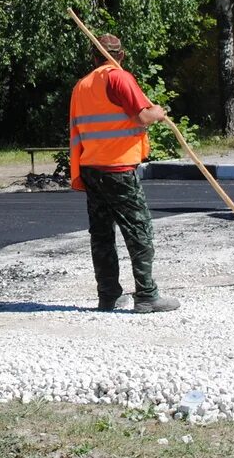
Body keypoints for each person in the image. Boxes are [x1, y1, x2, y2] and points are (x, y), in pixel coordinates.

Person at [68, 34, 179, 314]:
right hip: (117, 169)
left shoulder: (81, 86)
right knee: (139, 230)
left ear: (93, 56)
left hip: (92, 168)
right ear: (122, 55)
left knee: (102, 235)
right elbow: (142, 116)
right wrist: (157, 112)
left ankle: (108, 296)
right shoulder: (118, 77)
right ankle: (147, 296)